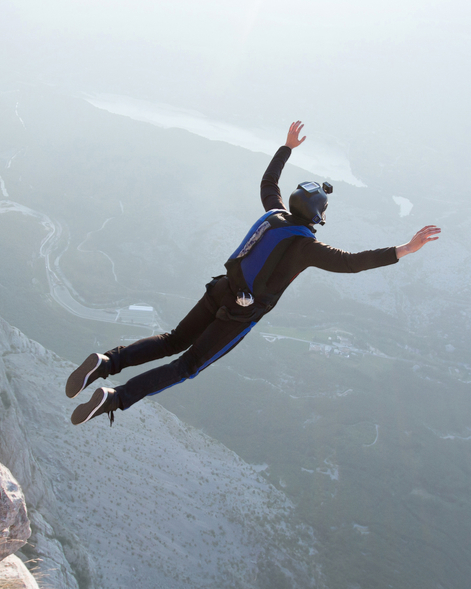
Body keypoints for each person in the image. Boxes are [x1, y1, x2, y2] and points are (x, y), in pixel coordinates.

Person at [67, 121, 441, 425]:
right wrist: (404, 249)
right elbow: (351, 262)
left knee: (171, 340)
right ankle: (116, 398)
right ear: (317, 216)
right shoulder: (306, 247)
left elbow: (268, 184)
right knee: (186, 366)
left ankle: (106, 363)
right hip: (241, 312)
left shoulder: (273, 213)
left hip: (221, 288)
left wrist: (287, 148)